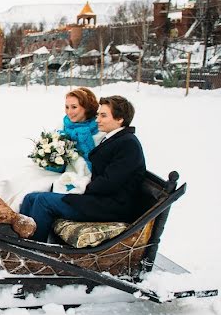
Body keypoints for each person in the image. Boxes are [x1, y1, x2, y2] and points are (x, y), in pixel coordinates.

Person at [19, 95, 147, 241]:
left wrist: (81, 188)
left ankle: (35, 251)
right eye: (98, 115)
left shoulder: (128, 144)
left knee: (43, 201)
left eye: (103, 116)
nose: (97, 119)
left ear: (120, 119)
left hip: (111, 206)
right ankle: (21, 240)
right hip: (99, 199)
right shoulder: (114, 138)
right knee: (31, 198)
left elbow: (110, 182)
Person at [0, 87, 103, 210]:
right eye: (67, 107)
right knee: (6, 171)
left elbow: (93, 159)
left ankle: (6, 211)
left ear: (87, 108)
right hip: (55, 167)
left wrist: (69, 155)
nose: (69, 112)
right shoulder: (65, 123)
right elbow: (55, 141)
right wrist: (48, 156)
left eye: (74, 107)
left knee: (28, 185)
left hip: (74, 170)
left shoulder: (98, 130)